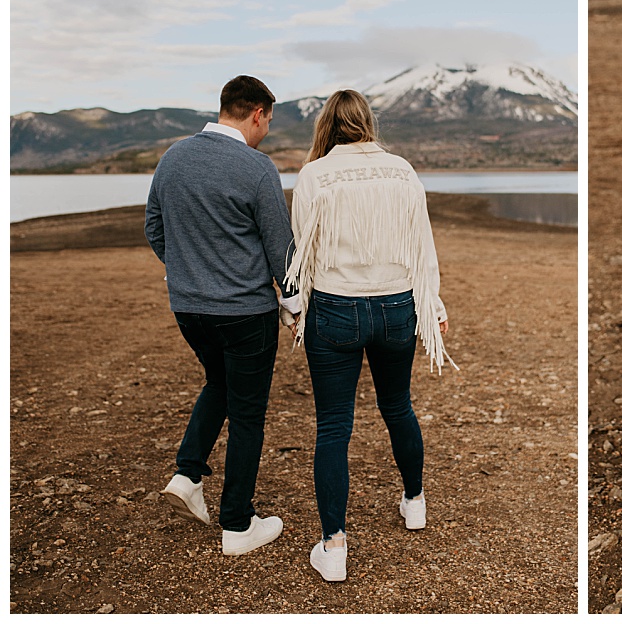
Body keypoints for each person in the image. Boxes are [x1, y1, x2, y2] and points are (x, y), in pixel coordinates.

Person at [284, 90, 450, 583]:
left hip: (336, 308)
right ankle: (415, 502)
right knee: (397, 406)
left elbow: (303, 255)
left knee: (333, 425)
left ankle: (333, 546)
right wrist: (433, 305)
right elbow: (423, 245)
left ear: (327, 126)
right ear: (366, 123)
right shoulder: (402, 170)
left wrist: (296, 310)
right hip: (398, 305)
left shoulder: (314, 175)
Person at [144, 75, 298, 556]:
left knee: (219, 384)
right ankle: (237, 523)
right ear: (257, 114)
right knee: (249, 413)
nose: (266, 131)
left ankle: (188, 475)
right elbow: (281, 248)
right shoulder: (256, 167)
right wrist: (294, 304)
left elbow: (153, 225)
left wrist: (189, 272)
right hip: (244, 312)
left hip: (189, 308)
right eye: (268, 121)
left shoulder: (174, 156)